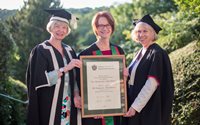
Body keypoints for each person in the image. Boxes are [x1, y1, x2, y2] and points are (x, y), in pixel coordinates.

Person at [26, 8, 82, 125]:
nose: (61, 30)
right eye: (57, 26)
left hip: (69, 105)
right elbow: (39, 80)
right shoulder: (41, 50)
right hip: (49, 104)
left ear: (67, 30)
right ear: (51, 27)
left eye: (64, 27)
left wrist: (76, 94)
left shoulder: (69, 50)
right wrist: (65, 68)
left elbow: (75, 77)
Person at [122, 14, 174, 125]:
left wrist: (135, 107)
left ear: (152, 33)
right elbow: (136, 78)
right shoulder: (139, 52)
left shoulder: (157, 53)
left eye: (145, 31)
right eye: (138, 32)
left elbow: (151, 84)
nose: (141, 35)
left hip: (148, 108)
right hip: (135, 105)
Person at [78, 11, 125, 125]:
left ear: (112, 27)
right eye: (100, 25)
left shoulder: (119, 51)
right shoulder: (86, 54)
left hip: (114, 107)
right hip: (95, 114)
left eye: (107, 25)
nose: (104, 28)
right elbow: (81, 84)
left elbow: (122, 82)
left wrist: (125, 75)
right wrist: (93, 107)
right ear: (95, 28)